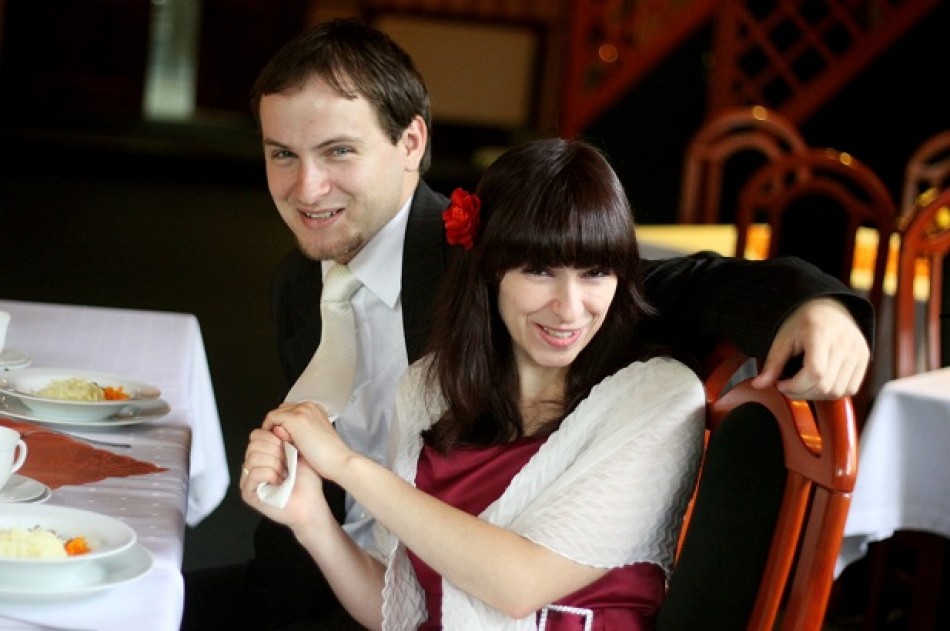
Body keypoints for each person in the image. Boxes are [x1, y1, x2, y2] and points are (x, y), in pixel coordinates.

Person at [182, 17, 872, 630]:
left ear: (411, 141)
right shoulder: (299, 282)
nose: (306, 189)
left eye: (338, 151)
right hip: (351, 581)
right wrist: (306, 516)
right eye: (283, 154)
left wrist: (813, 303)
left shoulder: (492, 259)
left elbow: (675, 284)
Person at [243, 137, 708, 629]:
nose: (570, 308)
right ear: (489, 269)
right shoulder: (428, 390)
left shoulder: (658, 400)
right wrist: (311, 518)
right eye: (540, 270)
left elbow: (519, 585)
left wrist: (346, 466)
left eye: (595, 272)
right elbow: (401, 611)